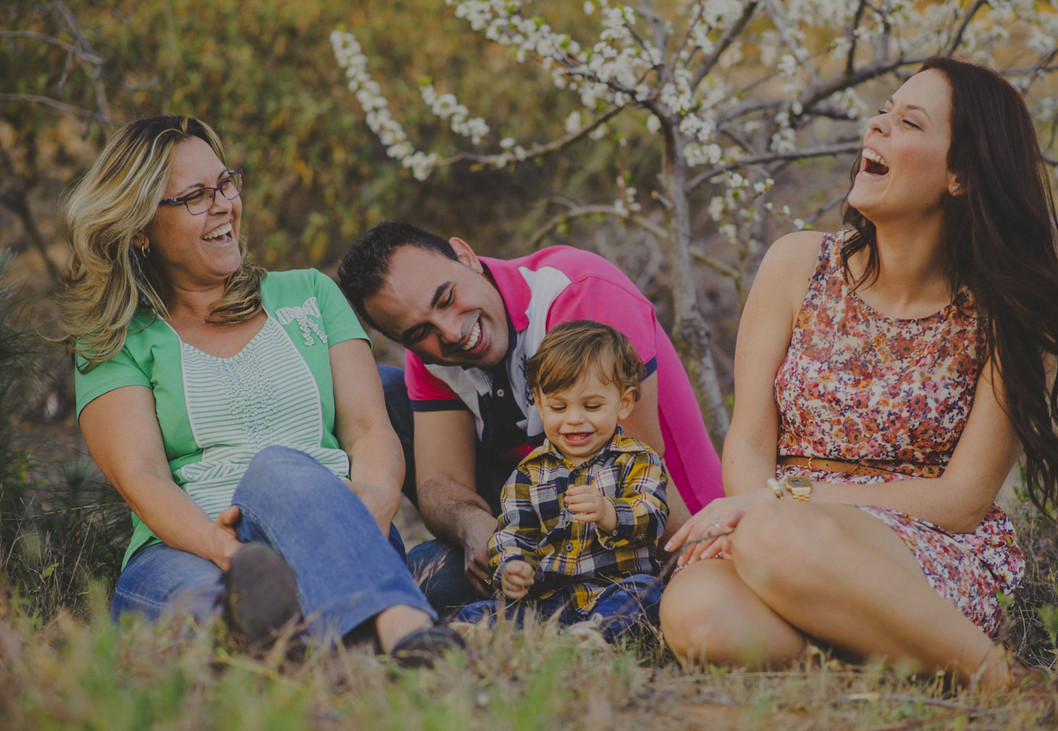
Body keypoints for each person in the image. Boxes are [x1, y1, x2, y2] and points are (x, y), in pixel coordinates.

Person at [658, 56, 1058, 688]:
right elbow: (750, 440)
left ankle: (1006, 683)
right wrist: (753, 513)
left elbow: (961, 501)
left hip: (923, 544)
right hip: (776, 528)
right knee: (699, 617)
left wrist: (777, 504)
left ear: (960, 176)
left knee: (776, 538)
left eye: (909, 122)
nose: (878, 125)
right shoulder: (795, 265)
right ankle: (889, 661)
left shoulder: (1005, 315)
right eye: (883, 111)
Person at [58, 116, 462, 665]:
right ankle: (299, 637)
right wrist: (222, 548)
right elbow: (142, 477)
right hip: (185, 547)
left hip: (332, 525)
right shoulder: (115, 340)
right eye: (196, 196)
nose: (224, 204)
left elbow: (370, 429)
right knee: (205, 611)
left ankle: (400, 625)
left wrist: (369, 514)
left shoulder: (310, 294)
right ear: (139, 228)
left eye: (225, 183)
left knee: (277, 468)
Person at [336, 222, 723, 613]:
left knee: (438, 586)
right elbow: (440, 480)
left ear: (466, 257)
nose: (451, 332)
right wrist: (473, 525)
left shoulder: (577, 293)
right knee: (425, 576)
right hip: (542, 517)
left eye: (446, 298)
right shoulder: (432, 355)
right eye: (420, 332)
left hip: (657, 532)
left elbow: (633, 478)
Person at [452, 321, 668, 641]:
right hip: (549, 599)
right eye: (558, 406)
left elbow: (653, 517)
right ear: (540, 405)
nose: (574, 419)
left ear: (624, 402)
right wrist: (513, 566)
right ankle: (481, 634)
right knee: (485, 609)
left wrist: (609, 512)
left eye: (591, 406)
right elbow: (514, 533)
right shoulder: (528, 473)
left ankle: (594, 636)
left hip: (614, 589)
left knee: (647, 593)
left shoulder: (637, 460)